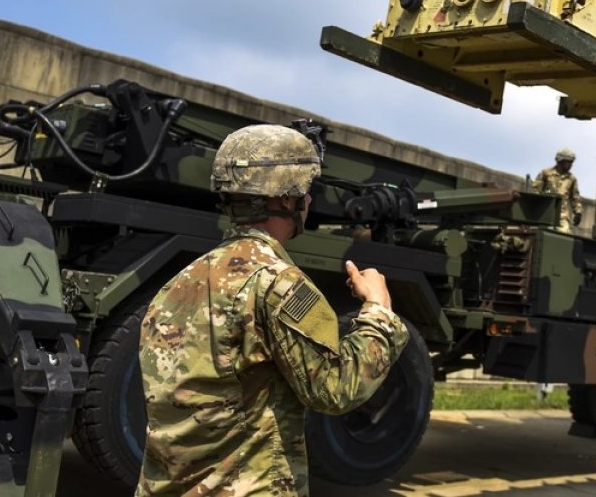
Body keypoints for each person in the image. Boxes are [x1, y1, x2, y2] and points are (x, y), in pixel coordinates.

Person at [137, 124, 409, 496]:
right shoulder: (278, 283)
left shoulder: (179, 283)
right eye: (306, 190)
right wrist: (379, 311)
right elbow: (334, 389)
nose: (309, 200)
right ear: (285, 200)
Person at [532, 147, 583, 234]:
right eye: (569, 162)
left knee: (564, 237)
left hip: (562, 217)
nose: (571, 165)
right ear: (561, 161)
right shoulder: (546, 173)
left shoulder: (571, 178)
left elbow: (575, 197)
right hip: (545, 213)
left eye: (572, 162)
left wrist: (578, 212)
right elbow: (535, 191)